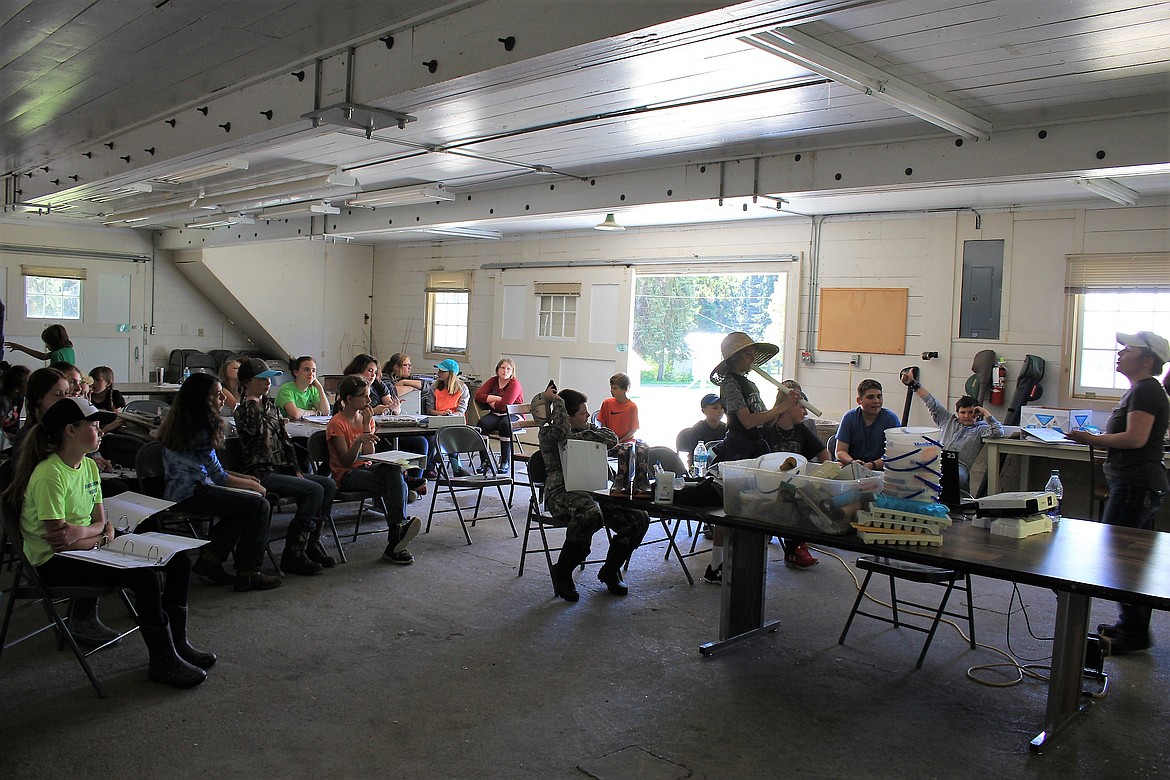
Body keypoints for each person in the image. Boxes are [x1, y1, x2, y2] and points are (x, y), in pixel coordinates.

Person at [1, 397, 214, 688]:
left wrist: (91, 533)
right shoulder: (49, 475)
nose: (101, 431)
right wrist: (97, 534)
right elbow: (62, 543)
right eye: (94, 425)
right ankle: (163, 659)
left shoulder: (88, 467)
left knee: (178, 559)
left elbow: (101, 523)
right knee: (145, 577)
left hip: (89, 546)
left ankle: (178, 644)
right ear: (70, 430)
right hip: (54, 562)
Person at [1067, 331, 1170, 655]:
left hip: (1135, 485)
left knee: (1121, 560)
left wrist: (1091, 439)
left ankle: (1135, 631)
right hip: (1134, 484)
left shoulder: (1146, 391)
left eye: (1128, 349)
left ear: (1148, 359)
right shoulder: (1142, 390)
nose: (1120, 353)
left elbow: (1136, 439)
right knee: (1131, 561)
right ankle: (1132, 627)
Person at [157, 372, 281, 592]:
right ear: (201, 399)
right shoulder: (202, 428)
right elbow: (219, 477)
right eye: (216, 395)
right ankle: (249, 571)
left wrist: (245, 478)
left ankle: (210, 560)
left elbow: (211, 469)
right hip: (192, 493)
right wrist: (254, 485)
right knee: (259, 504)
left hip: (181, 491)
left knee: (243, 505)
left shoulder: (180, 421)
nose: (222, 398)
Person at [540, 387, 649, 602]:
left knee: (638, 518)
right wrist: (558, 403)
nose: (588, 416)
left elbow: (611, 438)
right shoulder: (548, 433)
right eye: (582, 413)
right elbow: (562, 434)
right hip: (562, 493)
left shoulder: (587, 431)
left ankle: (610, 571)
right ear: (567, 416)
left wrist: (584, 430)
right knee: (588, 514)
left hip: (593, 490)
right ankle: (562, 571)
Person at [708, 332, 799, 584]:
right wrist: (781, 407)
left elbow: (765, 421)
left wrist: (783, 401)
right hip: (738, 449)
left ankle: (746, 562)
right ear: (735, 357)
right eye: (748, 353)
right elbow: (747, 421)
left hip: (755, 447)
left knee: (756, 507)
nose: (752, 357)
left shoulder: (751, 383)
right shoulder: (730, 383)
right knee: (729, 510)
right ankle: (716, 565)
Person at [234, 357, 337, 574]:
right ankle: (294, 553)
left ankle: (310, 542)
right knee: (313, 490)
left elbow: (285, 441)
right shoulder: (245, 410)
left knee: (326, 485)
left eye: (269, 379)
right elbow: (254, 435)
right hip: (260, 472)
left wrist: (296, 468)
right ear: (247, 382)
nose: (267, 383)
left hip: (282, 469)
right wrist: (252, 400)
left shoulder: (270, 407)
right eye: (261, 379)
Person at [326, 374, 421, 564]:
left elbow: (369, 454)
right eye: (364, 396)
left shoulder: (366, 418)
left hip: (366, 467)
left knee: (394, 471)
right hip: (346, 475)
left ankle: (397, 534)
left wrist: (366, 429)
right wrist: (358, 440)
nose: (369, 400)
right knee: (396, 483)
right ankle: (397, 533)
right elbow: (345, 462)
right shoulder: (337, 423)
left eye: (369, 395)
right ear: (350, 399)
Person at [764, 380, 832, 570]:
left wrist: (825, 474)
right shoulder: (767, 429)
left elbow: (824, 455)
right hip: (769, 485)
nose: (805, 412)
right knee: (796, 498)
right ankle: (794, 549)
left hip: (794, 486)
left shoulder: (801, 429)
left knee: (810, 494)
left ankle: (795, 547)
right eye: (802, 407)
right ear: (788, 407)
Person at [899, 371, 1004, 488]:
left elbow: (998, 431)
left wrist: (986, 413)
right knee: (911, 469)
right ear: (957, 413)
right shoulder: (947, 420)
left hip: (960, 466)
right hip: (937, 460)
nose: (966, 416)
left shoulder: (981, 429)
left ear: (977, 414)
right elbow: (931, 402)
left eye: (970, 412)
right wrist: (913, 384)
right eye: (962, 412)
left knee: (956, 477)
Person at [835, 379, 901, 469]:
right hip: (851, 465)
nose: (876, 401)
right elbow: (840, 451)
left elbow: (893, 455)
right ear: (859, 400)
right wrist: (853, 463)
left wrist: (869, 466)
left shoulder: (891, 419)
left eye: (879, 397)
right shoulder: (849, 417)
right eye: (870, 397)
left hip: (879, 468)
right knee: (837, 467)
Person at [473, 357, 524, 474]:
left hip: (513, 414)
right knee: (482, 424)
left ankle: (505, 461)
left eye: (508, 369)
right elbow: (478, 395)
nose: (505, 371)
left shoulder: (515, 384)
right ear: (497, 369)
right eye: (502, 368)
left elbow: (505, 406)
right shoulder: (493, 380)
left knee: (505, 425)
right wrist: (496, 399)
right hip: (497, 414)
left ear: (512, 371)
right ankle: (485, 461)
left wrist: (490, 402)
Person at [275, 355, 331, 419]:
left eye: (313, 370)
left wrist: (320, 387)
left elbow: (326, 412)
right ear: (296, 372)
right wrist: (313, 412)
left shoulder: (313, 389)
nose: (311, 373)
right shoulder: (286, 389)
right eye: (307, 370)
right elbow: (295, 414)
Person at [597, 372, 639, 443]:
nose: (611, 390)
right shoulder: (607, 403)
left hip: (626, 441)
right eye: (611, 387)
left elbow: (633, 429)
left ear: (625, 389)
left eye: (615, 388)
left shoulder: (632, 407)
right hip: (610, 440)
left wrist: (620, 441)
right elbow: (603, 425)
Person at [6, 324, 75, 365]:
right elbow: (43, 356)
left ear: (54, 342)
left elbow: (54, 375)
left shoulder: (56, 355)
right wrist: (20, 347)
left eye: (47, 343)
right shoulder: (68, 349)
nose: (46, 346)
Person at [88, 366, 126, 435]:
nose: (93, 383)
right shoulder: (86, 396)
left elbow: (117, 421)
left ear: (108, 383)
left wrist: (104, 430)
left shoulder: (115, 395)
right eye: (92, 380)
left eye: (97, 380)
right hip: (91, 432)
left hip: (111, 432)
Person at [0, 363, 30, 440]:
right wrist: (19, 438)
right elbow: (0, 432)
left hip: (12, 433)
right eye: (28, 383)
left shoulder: (19, 396)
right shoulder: (3, 401)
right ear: (17, 389)